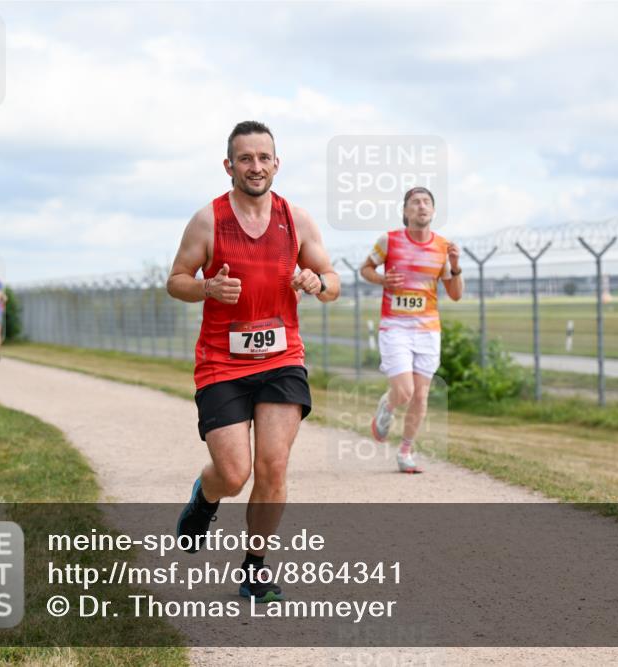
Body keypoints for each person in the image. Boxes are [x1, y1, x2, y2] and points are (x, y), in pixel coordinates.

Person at [167, 121, 339, 603]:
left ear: (276, 164)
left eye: (264, 157)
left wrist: (316, 283)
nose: (256, 166)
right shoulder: (208, 221)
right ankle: (206, 496)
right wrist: (205, 287)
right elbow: (176, 279)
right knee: (235, 472)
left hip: (283, 359)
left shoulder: (297, 220)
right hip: (222, 362)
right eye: (246, 158)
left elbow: (332, 280)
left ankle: (255, 567)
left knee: (273, 468)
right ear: (229, 166)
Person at [360, 186, 463, 473]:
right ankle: (388, 405)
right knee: (404, 392)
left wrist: (455, 265)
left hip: (428, 329)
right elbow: (365, 269)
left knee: (420, 395)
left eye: (426, 202)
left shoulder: (443, 247)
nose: (421, 206)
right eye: (415, 202)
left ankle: (405, 451)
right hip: (395, 326)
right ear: (405, 212)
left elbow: (455, 293)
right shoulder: (389, 241)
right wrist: (382, 280)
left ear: (433, 210)